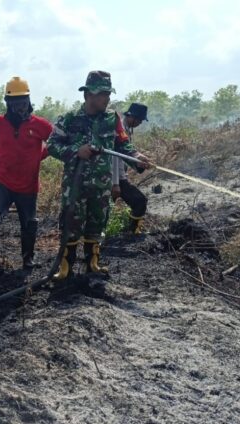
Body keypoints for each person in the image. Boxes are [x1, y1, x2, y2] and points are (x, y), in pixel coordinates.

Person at [47, 71, 149, 280]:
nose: (108, 98)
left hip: (101, 185)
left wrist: (137, 157)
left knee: (97, 223)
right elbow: (51, 145)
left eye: (108, 93)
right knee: (71, 223)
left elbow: (123, 145)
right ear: (90, 95)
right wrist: (76, 151)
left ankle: (92, 263)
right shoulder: (69, 119)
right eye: (103, 93)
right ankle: (65, 267)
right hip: (74, 186)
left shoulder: (113, 119)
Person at [0, 76, 53, 269]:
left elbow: (55, 143)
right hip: (3, 181)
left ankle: (28, 257)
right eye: (15, 101)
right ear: (8, 102)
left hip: (28, 185)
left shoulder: (40, 124)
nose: (19, 105)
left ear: (28, 100)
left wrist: (39, 156)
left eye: (23, 100)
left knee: (29, 223)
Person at [111, 102, 149, 234]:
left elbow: (126, 156)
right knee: (139, 201)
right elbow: (115, 157)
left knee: (139, 201)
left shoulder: (126, 130)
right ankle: (130, 233)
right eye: (139, 120)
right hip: (113, 179)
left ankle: (131, 232)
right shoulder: (119, 129)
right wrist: (115, 184)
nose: (140, 123)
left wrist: (139, 163)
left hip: (120, 178)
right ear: (131, 116)